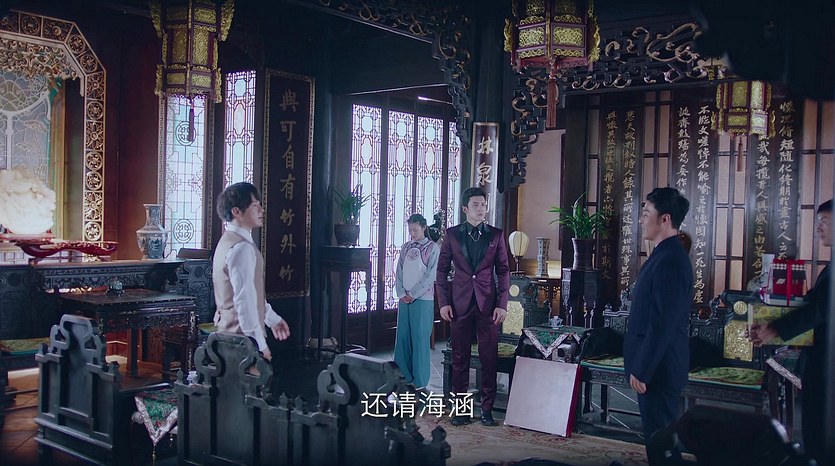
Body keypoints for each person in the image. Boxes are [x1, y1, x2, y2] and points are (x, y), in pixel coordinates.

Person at [750, 199, 832, 463]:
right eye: (818, 222)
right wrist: (770, 320)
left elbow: (820, 310)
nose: (818, 228)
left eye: (825, 222)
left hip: (828, 363)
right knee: (816, 427)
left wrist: (775, 328)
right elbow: (812, 303)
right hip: (821, 359)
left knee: (822, 430)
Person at [623, 187, 693, 449]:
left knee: (662, 445)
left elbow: (663, 322)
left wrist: (644, 368)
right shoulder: (662, 254)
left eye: (646, 213)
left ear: (665, 219)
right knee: (658, 443)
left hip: (658, 369)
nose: (641, 219)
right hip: (655, 366)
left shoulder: (671, 259)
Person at [436, 187, 510, 427]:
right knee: (460, 358)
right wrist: (444, 303)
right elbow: (441, 270)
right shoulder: (452, 235)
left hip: (488, 305)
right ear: (465, 209)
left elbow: (503, 271)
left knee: (489, 358)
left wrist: (502, 305)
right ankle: (461, 410)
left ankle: (487, 410)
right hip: (459, 304)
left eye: (483, 204)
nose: (481, 209)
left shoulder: (496, 235)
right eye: (476, 205)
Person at [212, 182, 290, 361]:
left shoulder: (228, 241)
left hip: (227, 333)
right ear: (236, 211)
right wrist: (260, 345)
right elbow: (245, 300)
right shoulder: (242, 248)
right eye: (255, 205)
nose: (261, 210)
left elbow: (252, 295)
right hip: (241, 340)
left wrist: (272, 319)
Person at [394, 213, 440, 389]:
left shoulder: (432, 248)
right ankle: (401, 375)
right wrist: (401, 293)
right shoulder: (406, 247)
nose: (412, 233)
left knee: (420, 338)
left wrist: (413, 294)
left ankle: (420, 381)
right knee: (403, 337)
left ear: (423, 228)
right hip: (404, 299)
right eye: (410, 230)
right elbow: (399, 271)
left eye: (415, 230)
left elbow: (431, 275)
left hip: (423, 299)